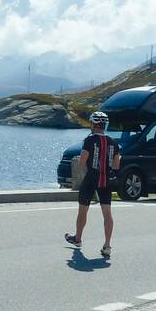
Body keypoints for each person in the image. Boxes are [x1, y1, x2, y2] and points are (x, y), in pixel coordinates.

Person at [66, 111, 120, 259]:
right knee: (107, 213)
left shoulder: (89, 140)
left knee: (83, 210)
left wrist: (87, 171)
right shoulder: (113, 142)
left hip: (91, 178)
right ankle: (107, 245)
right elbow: (116, 163)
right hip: (106, 180)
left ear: (94, 124)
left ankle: (78, 238)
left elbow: (83, 161)